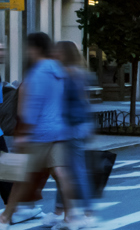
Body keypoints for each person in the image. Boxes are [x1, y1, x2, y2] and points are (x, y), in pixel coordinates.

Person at [0, 34, 78, 230]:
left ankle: (5, 218)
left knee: (20, 178)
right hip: (58, 131)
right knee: (61, 174)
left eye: (28, 48)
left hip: (37, 133)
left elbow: (29, 107)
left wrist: (23, 134)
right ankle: (70, 218)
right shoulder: (59, 71)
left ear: (35, 49)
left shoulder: (36, 73)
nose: (27, 51)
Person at [42, 41, 95, 229]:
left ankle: (87, 213)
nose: (55, 53)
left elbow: (63, 101)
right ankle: (59, 211)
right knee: (63, 172)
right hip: (78, 125)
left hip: (70, 126)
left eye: (58, 51)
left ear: (65, 53)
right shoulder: (79, 72)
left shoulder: (68, 74)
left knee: (73, 172)